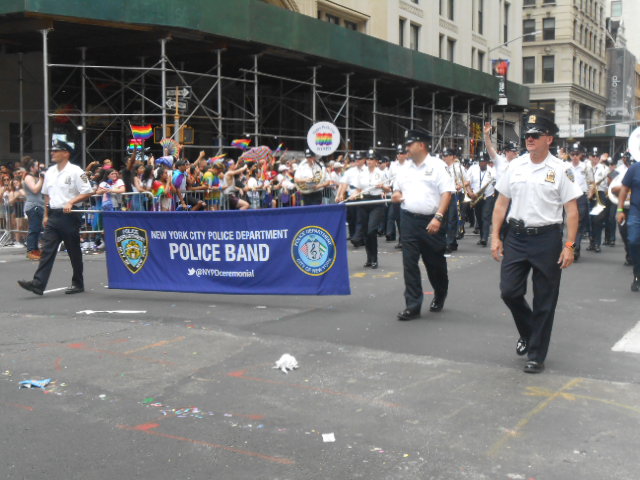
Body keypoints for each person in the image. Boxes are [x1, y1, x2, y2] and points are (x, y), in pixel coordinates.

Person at [491, 109, 582, 373]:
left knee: (545, 299)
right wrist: (495, 236)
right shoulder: (515, 165)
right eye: (527, 135)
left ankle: (536, 354)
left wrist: (569, 246)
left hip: (547, 238)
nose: (529, 139)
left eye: (535, 135)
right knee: (509, 291)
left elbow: (572, 211)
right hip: (516, 236)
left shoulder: (561, 170)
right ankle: (530, 331)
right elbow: (501, 203)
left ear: (549, 139)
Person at [18, 139, 94, 296]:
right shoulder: (50, 172)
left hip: (70, 215)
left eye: (56, 150)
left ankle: (77, 282)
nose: (52, 153)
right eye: (52, 150)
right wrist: (46, 214)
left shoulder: (76, 171)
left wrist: (72, 201)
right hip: (54, 215)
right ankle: (38, 284)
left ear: (66, 153)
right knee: (47, 250)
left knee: (73, 250)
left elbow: (88, 191)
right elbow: (47, 195)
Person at [393, 130, 454, 321]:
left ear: (421, 145)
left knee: (434, 263)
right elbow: (397, 189)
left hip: (431, 220)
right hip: (408, 219)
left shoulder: (437, 166)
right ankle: (413, 305)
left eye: (410, 144)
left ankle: (440, 292)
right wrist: (396, 195)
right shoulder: (404, 168)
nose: (407, 148)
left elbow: (447, 193)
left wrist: (438, 217)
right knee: (409, 263)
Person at [355, 148, 390, 269]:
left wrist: (382, 186)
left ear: (376, 161)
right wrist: (355, 194)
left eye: (372, 159)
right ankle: (369, 258)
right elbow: (359, 189)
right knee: (365, 231)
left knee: (371, 230)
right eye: (368, 159)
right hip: (364, 201)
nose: (369, 161)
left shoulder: (381, 173)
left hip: (376, 202)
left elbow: (388, 189)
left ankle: (374, 258)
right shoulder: (361, 173)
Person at [617, 154, 640, 291]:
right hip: (636, 212)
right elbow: (624, 189)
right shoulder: (634, 169)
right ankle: (637, 273)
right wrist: (620, 210)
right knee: (633, 241)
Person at [465, 151, 495, 246]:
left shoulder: (492, 171)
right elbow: (467, 183)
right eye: (480, 162)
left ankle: (484, 238)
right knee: (479, 217)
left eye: (483, 162)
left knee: (485, 217)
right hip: (476, 197)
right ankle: (482, 235)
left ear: (487, 162)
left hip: (488, 197)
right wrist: (470, 193)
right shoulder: (472, 169)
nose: (481, 163)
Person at [565, 143, 589, 261]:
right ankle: (572, 247)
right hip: (568, 198)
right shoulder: (566, 167)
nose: (574, 156)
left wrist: (591, 192)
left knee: (578, 225)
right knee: (569, 225)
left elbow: (591, 182)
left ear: (581, 155)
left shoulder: (585, 167)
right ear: (569, 155)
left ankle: (575, 248)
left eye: (577, 154)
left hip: (581, 197)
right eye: (572, 154)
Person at [22, 160, 46, 259]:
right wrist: (41, 179)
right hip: (33, 206)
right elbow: (35, 189)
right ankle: (31, 250)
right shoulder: (28, 177)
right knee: (34, 229)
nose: (39, 167)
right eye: (37, 166)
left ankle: (36, 249)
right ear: (31, 167)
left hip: (39, 205)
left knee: (38, 229)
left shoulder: (35, 177)